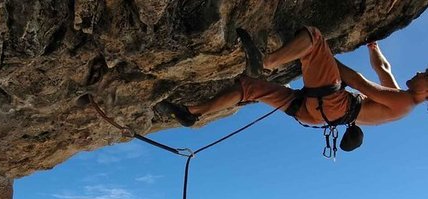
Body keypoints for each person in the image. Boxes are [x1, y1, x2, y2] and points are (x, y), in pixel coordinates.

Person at [156, 26, 427, 151]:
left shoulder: (405, 104)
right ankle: (192, 112)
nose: (418, 71)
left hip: (334, 105)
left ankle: (267, 62)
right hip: (313, 113)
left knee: (315, 39)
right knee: (249, 89)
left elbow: (360, 83)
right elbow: (384, 71)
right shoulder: (401, 99)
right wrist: (373, 46)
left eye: (425, 74)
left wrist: (328, 60)